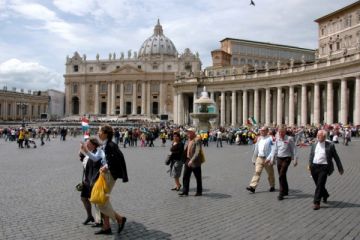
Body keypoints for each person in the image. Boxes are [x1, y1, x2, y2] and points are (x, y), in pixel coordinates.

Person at [94, 125, 128, 235]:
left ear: (106, 134)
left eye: (100, 131)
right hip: (106, 175)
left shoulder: (109, 145)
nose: (98, 133)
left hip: (109, 175)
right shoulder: (108, 144)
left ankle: (119, 218)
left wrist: (105, 166)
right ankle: (106, 227)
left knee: (101, 201)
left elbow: (113, 160)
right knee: (103, 200)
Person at [309, 130, 344, 210]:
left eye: (319, 135)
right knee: (318, 184)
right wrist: (310, 165)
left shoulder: (330, 145)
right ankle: (325, 194)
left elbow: (336, 157)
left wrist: (340, 168)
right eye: (317, 135)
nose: (318, 137)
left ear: (324, 137)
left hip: (324, 167)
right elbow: (311, 155)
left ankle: (316, 202)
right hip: (314, 166)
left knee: (320, 184)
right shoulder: (314, 144)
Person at [79, 137, 104, 227]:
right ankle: (90, 216)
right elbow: (84, 161)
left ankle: (99, 220)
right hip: (87, 180)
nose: (86, 145)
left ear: (93, 145)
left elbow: (95, 161)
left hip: (93, 180)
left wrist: (85, 151)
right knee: (84, 198)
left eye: (88, 144)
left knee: (96, 201)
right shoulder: (89, 154)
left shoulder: (97, 153)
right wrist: (81, 150)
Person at [246, 126, 275, 193]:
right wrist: (254, 159)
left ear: (267, 131)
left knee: (270, 173)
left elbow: (273, 149)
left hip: (267, 158)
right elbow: (256, 149)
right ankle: (252, 187)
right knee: (257, 172)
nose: (262, 131)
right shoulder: (259, 138)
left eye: (263, 130)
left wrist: (270, 158)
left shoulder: (271, 138)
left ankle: (272, 185)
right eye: (261, 130)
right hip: (259, 158)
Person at [271, 127, 297, 200]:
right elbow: (275, 149)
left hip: (287, 158)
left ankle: (281, 192)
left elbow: (294, 149)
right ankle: (286, 190)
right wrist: (272, 158)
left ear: (285, 132)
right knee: (282, 175)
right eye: (279, 132)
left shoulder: (289, 139)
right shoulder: (277, 139)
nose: (280, 134)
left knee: (281, 174)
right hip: (279, 158)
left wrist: (295, 159)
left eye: (282, 132)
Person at [179, 128, 203, 197]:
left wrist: (192, 160)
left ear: (192, 132)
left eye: (189, 132)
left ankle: (199, 192)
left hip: (195, 162)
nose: (187, 133)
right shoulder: (189, 139)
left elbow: (197, 152)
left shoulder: (197, 140)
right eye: (187, 132)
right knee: (185, 176)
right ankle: (185, 191)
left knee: (198, 177)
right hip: (187, 160)